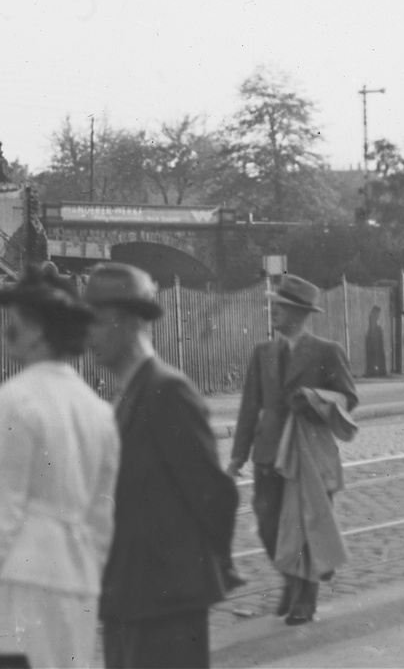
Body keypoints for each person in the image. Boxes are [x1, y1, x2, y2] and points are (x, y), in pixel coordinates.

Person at [0, 265, 120, 669]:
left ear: (39, 330)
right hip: (77, 587)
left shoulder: (15, 402)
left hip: (19, 586)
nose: (8, 332)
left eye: (17, 322)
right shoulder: (99, 413)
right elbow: (103, 519)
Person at [88, 263, 241, 668]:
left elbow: (215, 494)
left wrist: (194, 573)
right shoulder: (129, 393)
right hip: (133, 595)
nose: (89, 337)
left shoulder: (166, 391)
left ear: (127, 322)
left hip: (166, 602)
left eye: (97, 323)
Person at [229, 273, 359, 626]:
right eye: (274, 305)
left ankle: (306, 600)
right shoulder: (263, 352)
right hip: (269, 452)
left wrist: (315, 399)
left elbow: (349, 398)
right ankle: (292, 580)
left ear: (299, 314)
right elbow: (249, 405)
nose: (273, 311)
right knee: (269, 526)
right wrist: (238, 456)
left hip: (309, 453)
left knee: (309, 527)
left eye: (280, 307)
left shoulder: (326, 351)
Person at [363, 305, 389, 378]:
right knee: (373, 354)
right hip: (373, 336)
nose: (378, 315)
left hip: (375, 335)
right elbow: (372, 327)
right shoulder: (372, 319)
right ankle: (374, 370)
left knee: (378, 353)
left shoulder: (375, 320)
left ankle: (379, 370)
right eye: (377, 313)